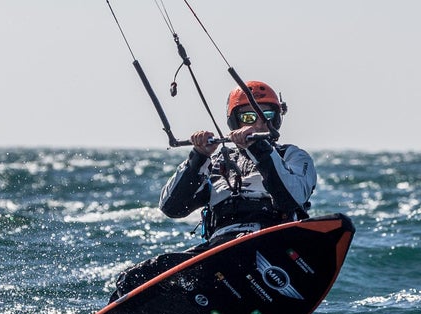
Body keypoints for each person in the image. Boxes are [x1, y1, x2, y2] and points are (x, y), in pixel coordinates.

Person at [109, 80, 317, 301]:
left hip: (270, 247)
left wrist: (258, 148)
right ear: (234, 122)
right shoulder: (217, 163)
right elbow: (172, 207)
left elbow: (290, 199)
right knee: (133, 279)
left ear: (276, 120)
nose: (257, 124)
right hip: (218, 253)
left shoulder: (293, 157)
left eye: (266, 116)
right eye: (248, 118)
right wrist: (199, 156)